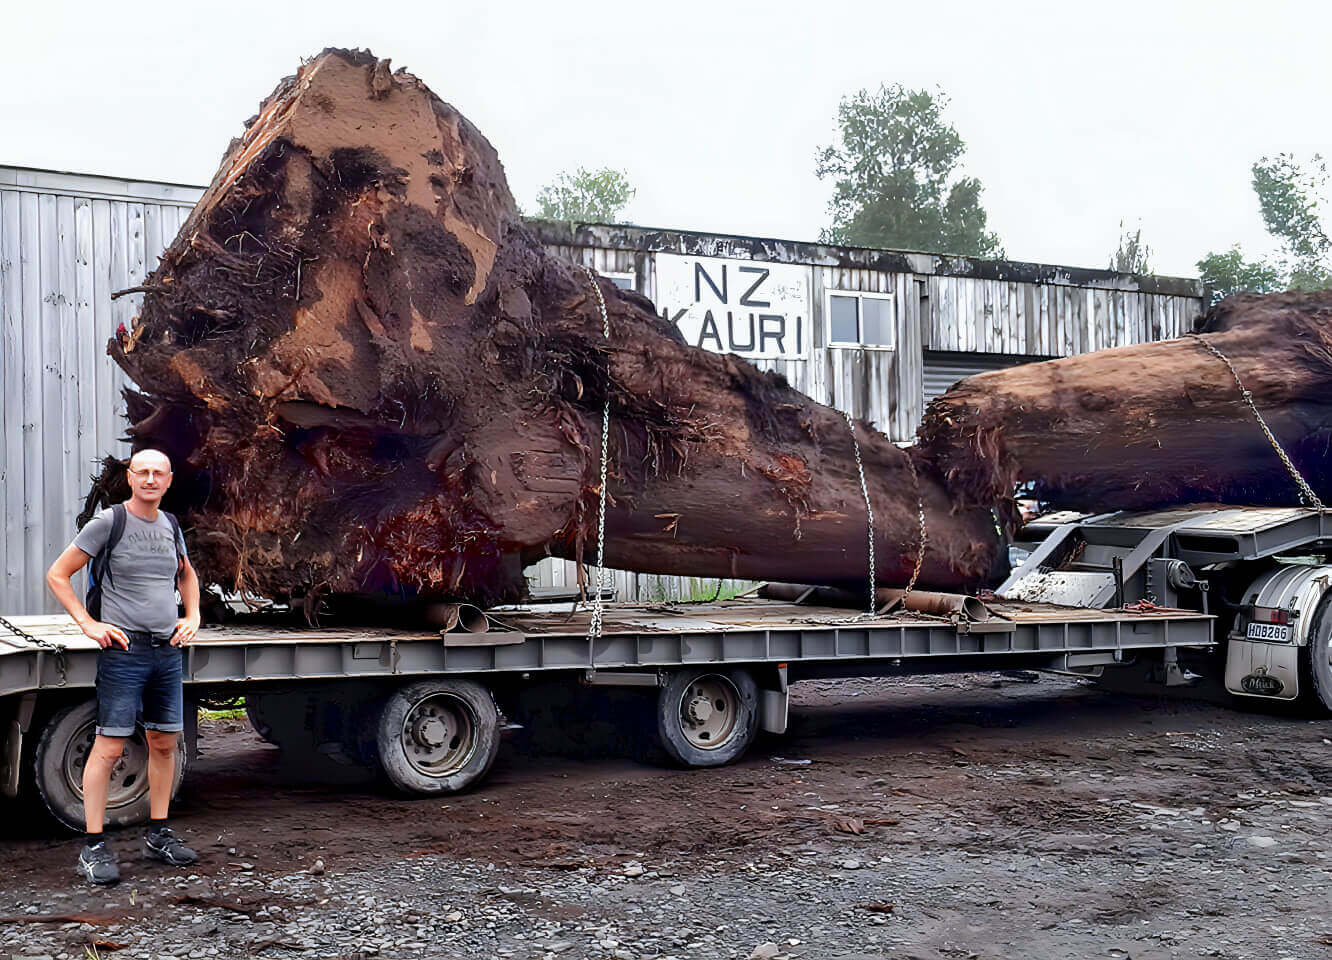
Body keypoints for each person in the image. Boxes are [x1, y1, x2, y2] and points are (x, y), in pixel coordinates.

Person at [46, 449, 202, 885]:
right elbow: (59, 574)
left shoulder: (170, 525)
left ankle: (159, 833)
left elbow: (186, 573)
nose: (150, 479)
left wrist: (192, 616)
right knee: (110, 746)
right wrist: (89, 624)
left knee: (164, 742)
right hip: (125, 651)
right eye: (143, 472)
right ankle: (93, 846)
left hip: (166, 650)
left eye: (158, 473)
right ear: (131, 478)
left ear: (168, 480)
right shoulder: (109, 522)